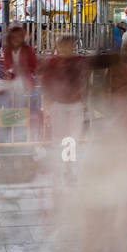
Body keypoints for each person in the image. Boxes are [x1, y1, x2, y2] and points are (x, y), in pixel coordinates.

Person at [40, 34, 87, 178]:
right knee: (58, 137)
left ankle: (68, 167)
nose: (65, 48)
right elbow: (46, 82)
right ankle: (59, 166)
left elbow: (85, 81)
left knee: (72, 138)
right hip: (58, 105)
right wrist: (47, 101)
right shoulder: (52, 62)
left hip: (76, 104)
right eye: (63, 44)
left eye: (68, 44)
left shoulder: (80, 60)